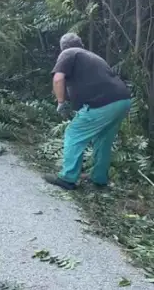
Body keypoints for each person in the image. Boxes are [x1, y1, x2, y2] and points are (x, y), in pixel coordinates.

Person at [44, 32, 132, 190]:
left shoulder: (68, 53)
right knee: (103, 139)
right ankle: (99, 179)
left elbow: (58, 78)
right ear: (81, 44)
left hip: (103, 102)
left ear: (63, 47)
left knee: (74, 133)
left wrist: (61, 102)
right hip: (122, 100)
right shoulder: (92, 57)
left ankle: (68, 178)